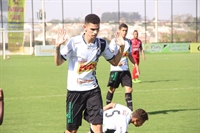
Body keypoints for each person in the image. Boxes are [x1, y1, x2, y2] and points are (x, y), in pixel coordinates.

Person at [54, 14, 125, 133]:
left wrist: (121, 48)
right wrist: (57, 47)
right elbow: (58, 62)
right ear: (85, 27)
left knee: (98, 127)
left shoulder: (101, 44)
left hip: (93, 90)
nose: (95, 32)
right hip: (75, 92)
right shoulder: (74, 43)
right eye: (92, 29)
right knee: (71, 130)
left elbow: (115, 62)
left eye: (97, 29)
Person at [106, 23, 139, 111]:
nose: (124, 32)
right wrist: (116, 61)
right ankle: (107, 108)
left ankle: (130, 111)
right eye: (123, 30)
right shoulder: (114, 41)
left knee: (129, 89)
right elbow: (110, 53)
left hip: (125, 70)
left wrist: (135, 65)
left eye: (126, 31)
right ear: (119, 31)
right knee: (112, 89)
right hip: (115, 70)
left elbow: (130, 55)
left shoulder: (128, 42)